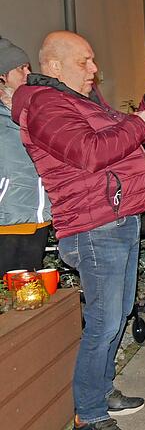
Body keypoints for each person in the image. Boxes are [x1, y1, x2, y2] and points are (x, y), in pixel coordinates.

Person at [12, 31, 145, 430]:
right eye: (85, 62)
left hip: (118, 218)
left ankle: (102, 391)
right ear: (55, 66)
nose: (95, 69)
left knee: (115, 316)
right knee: (104, 321)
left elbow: (127, 139)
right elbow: (90, 152)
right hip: (93, 225)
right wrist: (137, 121)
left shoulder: (78, 100)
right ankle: (90, 413)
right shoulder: (46, 104)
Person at [0, 37, 51, 277]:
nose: (27, 72)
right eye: (20, 67)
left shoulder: (29, 107)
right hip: (7, 218)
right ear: (2, 75)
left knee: (29, 290)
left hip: (38, 213)